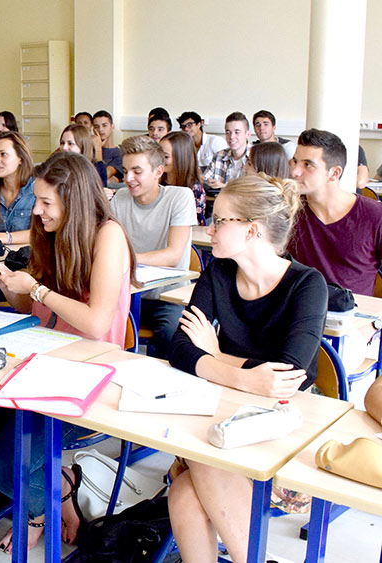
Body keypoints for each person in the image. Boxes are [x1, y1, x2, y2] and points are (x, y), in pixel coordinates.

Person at [0, 151, 136, 553]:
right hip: (34, 364)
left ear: (74, 201)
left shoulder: (107, 234)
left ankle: (41, 506)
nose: (37, 212)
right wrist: (10, 284)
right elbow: (33, 309)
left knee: (4, 462)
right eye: (37, 201)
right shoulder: (49, 232)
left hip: (89, 378)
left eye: (46, 203)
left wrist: (37, 289)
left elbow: (95, 323)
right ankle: (52, 483)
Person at [167, 174, 327, 563]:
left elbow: (289, 377)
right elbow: (179, 349)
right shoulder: (218, 272)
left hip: (285, 430)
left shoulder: (307, 285)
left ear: (252, 230)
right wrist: (243, 376)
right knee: (186, 486)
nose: (210, 228)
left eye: (220, 220)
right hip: (225, 412)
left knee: (191, 480)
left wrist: (217, 355)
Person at [112, 135, 196, 358]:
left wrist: (125, 258)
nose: (128, 178)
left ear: (158, 172)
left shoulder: (180, 197)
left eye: (137, 171)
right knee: (96, 328)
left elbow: (173, 256)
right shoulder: (120, 198)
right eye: (125, 170)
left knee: (170, 337)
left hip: (167, 298)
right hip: (126, 294)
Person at [288, 128, 382, 297]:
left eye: (308, 164)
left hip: (355, 317)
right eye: (295, 162)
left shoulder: (374, 215)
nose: (295, 171)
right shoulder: (288, 211)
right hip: (300, 314)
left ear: (334, 173)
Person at [160, 130, 206, 225]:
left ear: (180, 158)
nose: (159, 160)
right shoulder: (156, 181)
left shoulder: (195, 190)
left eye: (165, 156)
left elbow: (193, 225)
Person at [202, 112, 251, 194]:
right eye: (228, 132)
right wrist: (204, 179)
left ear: (248, 134)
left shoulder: (256, 157)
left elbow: (255, 190)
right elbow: (206, 179)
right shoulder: (219, 155)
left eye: (237, 132)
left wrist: (225, 186)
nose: (231, 137)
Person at [58, 123, 109, 189]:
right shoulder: (57, 168)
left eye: (70, 144)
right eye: (62, 143)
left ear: (83, 146)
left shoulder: (98, 168)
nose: (64, 147)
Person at [92, 110, 124, 184]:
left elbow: (102, 177)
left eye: (104, 125)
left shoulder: (119, 153)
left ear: (112, 127)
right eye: (96, 127)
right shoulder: (88, 149)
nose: (100, 129)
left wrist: (98, 150)